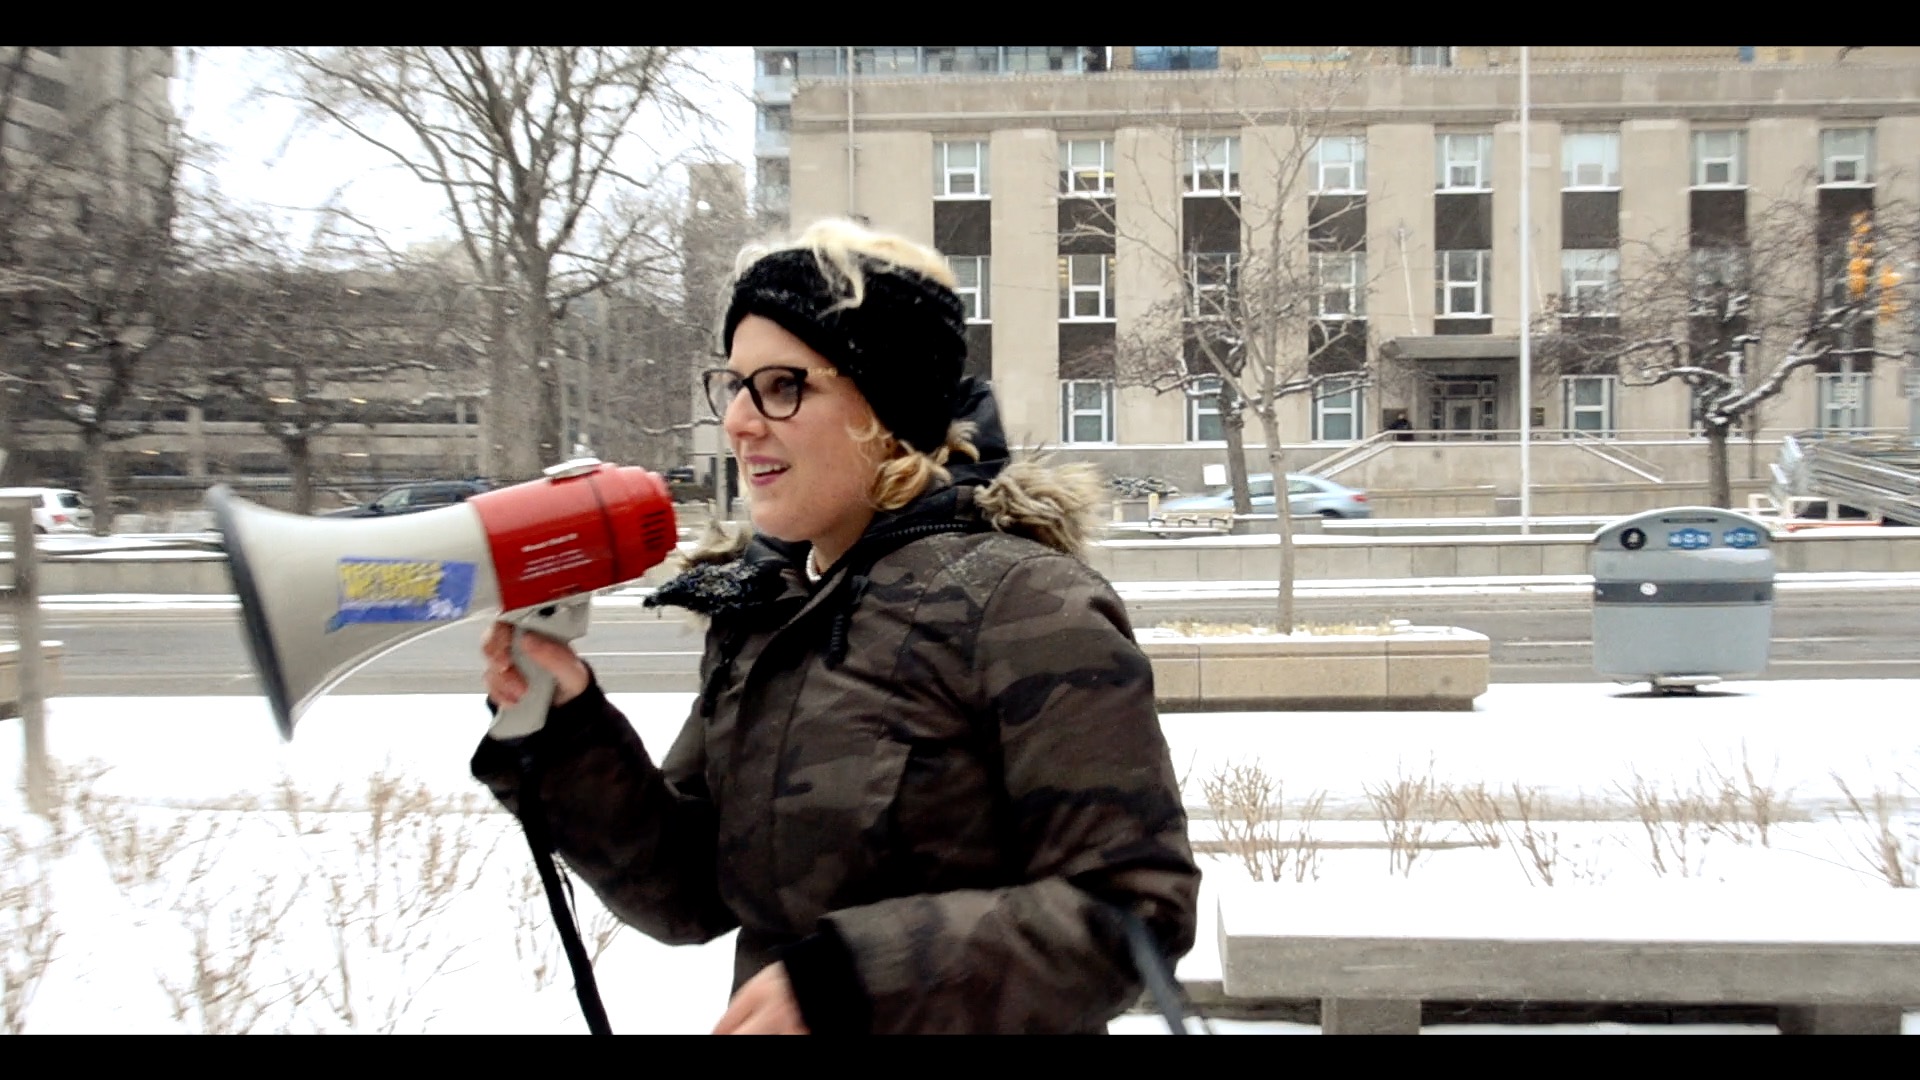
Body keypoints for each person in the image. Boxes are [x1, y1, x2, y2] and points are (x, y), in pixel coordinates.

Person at [470, 218, 1200, 1035]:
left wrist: (856, 984)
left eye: (782, 386)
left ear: (884, 406)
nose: (740, 422)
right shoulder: (762, 611)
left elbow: (1134, 912)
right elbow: (687, 891)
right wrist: (569, 729)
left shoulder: (1029, 607)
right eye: (734, 385)